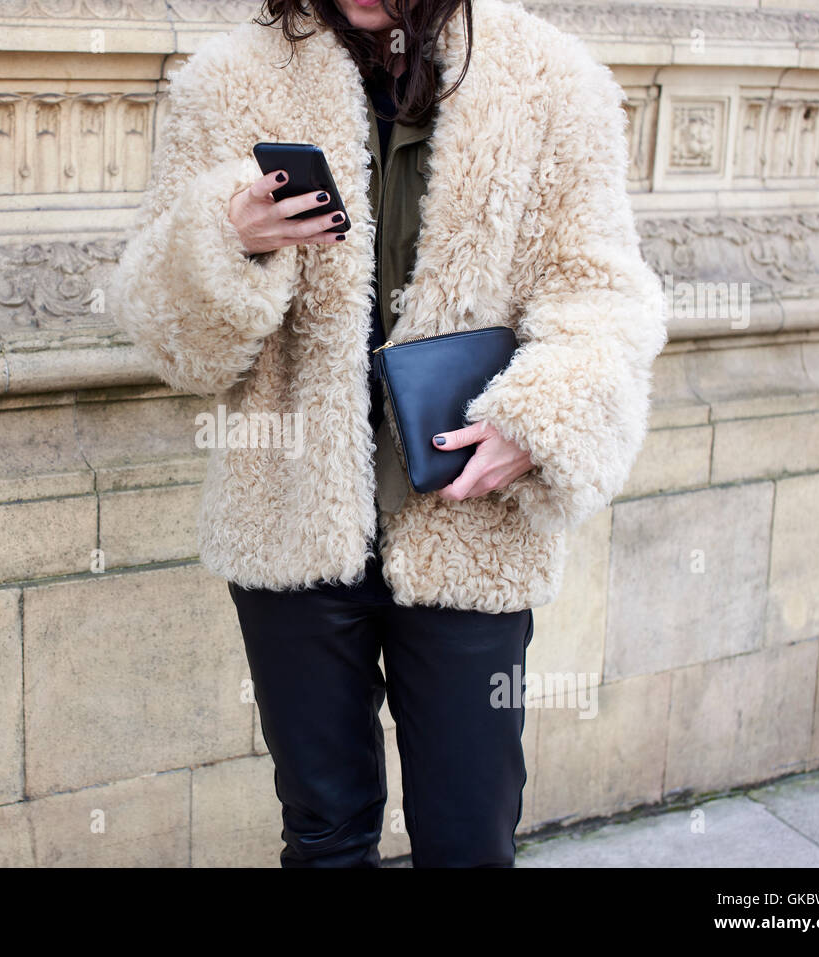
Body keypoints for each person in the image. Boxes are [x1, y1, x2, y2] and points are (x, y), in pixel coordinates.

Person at [108, 0, 667, 867]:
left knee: (469, 835)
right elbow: (165, 332)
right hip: (292, 522)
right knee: (325, 834)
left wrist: (542, 419)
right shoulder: (228, 80)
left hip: (471, 520)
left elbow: (602, 294)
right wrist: (226, 238)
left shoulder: (548, 78)